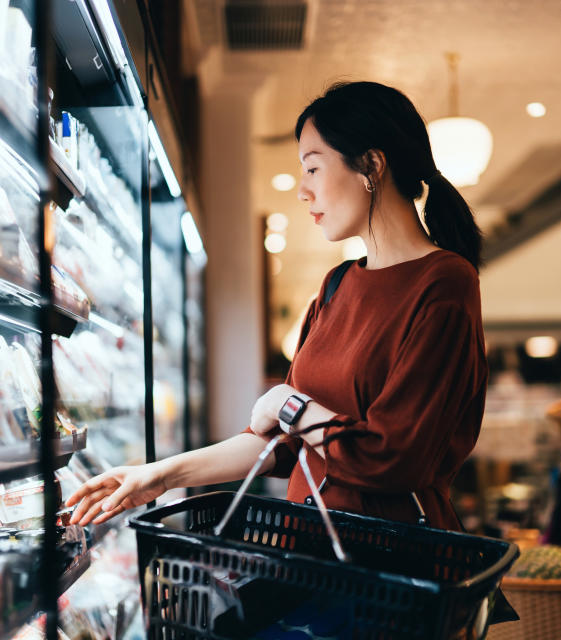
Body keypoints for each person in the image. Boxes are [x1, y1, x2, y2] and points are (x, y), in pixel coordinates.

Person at [67, 81, 486, 531]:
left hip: (388, 575)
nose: (303, 191)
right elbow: (280, 442)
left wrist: (290, 404)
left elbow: (393, 458)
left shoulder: (443, 282)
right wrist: (159, 475)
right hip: (310, 562)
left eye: (313, 168)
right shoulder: (337, 285)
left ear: (371, 165)